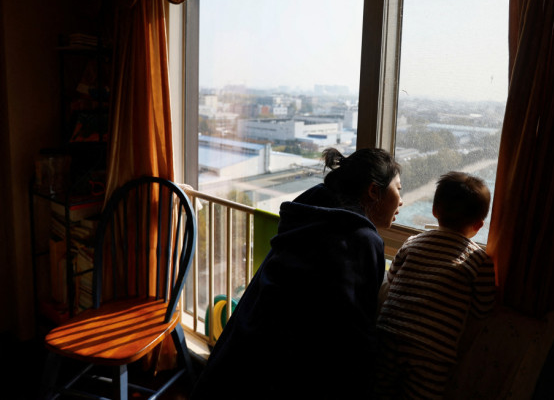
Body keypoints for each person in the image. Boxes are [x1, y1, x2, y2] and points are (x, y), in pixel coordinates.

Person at [192, 147, 402, 400]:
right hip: (288, 375)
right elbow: (353, 333)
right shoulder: (360, 240)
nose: (400, 200)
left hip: (242, 354)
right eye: (398, 189)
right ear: (373, 190)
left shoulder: (306, 214)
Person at [375, 172, 496, 400]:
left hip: (387, 333)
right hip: (432, 349)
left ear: (435, 211)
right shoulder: (479, 260)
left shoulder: (412, 242)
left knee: (379, 391)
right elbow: (483, 309)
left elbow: (390, 283)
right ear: (479, 225)